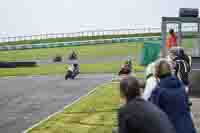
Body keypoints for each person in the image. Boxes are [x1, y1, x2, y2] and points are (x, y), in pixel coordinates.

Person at [150, 59, 196, 133]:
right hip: (188, 128)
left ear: (156, 72)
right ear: (170, 70)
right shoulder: (181, 87)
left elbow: (153, 115)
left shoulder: (158, 91)